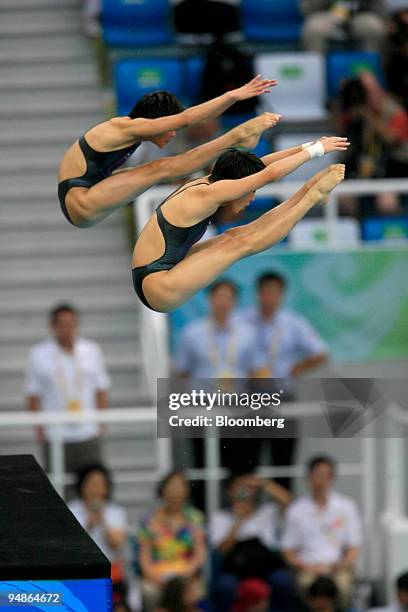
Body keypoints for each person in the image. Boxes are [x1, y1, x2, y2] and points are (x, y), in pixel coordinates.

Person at [132, 138, 349, 313]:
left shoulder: (213, 180)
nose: (252, 196)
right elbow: (269, 174)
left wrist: (305, 146)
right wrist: (317, 150)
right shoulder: (208, 194)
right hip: (158, 285)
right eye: (251, 190)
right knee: (240, 244)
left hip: (165, 268)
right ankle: (311, 197)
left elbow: (261, 165)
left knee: (234, 236)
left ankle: (310, 190)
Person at [57, 80, 278, 227]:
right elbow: (188, 119)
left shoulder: (127, 133)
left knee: (161, 169)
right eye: (168, 126)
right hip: (80, 202)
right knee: (161, 168)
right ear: (155, 121)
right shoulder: (123, 128)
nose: (173, 133)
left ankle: (236, 139)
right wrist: (232, 95)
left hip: (88, 192)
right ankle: (236, 137)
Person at [239, 271, 329, 490]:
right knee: (246, 463)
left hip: (282, 399)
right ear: (258, 294)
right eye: (265, 292)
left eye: (274, 293)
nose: (269, 298)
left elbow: (320, 353)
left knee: (283, 462)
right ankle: (250, 517)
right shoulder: (240, 320)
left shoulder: (292, 323)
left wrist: (297, 367)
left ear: (282, 295)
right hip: (249, 399)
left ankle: (282, 514)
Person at [25, 303, 110, 476]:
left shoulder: (90, 350)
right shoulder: (39, 353)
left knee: (92, 482)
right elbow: (32, 394)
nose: (68, 330)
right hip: (55, 433)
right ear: (53, 327)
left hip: (88, 431)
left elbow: (101, 388)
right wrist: (39, 429)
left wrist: (101, 423)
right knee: (58, 485)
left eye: (72, 324)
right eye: (63, 325)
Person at [281, 456, 362, 607]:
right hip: (307, 569)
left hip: (338, 568)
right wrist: (305, 567)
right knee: (309, 589)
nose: (320, 481)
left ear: (332, 478)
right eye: (317, 476)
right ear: (309, 477)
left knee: (342, 588)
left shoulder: (346, 507)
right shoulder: (296, 509)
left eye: (325, 476)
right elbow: (288, 550)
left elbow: (354, 547)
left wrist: (340, 566)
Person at [210, 474, 296, 612]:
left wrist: (263, 483)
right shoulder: (220, 517)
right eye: (239, 488)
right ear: (230, 491)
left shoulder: (267, 512)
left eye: (247, 488)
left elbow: (289, 501)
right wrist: (238, 521)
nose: (243, 492)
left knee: (282, 582)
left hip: (266, 566)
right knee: (224, 586)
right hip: (236, 568)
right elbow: (221, 551)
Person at [138, 471, 206, 612]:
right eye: (171, 487)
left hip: (187, 575)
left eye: (179, 487)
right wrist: (156, 578)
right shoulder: (149, 520)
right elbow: (144, 556)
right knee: (148, 591)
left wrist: (183, 576)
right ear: (163, 491)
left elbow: (200, 554)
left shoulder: (195, 518)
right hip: (158, 576)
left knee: (190, 592)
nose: (175, 492)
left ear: (186, 491)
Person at [68, 463, 129, 604]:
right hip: (80, 571)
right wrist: (89, 525)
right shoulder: (71, 510)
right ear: (82, 486)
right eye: (92, 483)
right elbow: (72, 546)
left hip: (110, 572)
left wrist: (102, 522)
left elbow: (117, 544)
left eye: (100, 484)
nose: (96, 488)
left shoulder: (116, 512)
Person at [301, 0, 386, 53]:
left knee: (375, 26)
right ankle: (318, 73)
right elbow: (306, 9)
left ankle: (372, 72)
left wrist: (385, 20)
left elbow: (379, 7)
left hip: (359, 16)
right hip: (327, 16)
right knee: (313, 28)